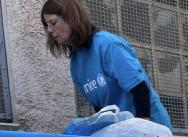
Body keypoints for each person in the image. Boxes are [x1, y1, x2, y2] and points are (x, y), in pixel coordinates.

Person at [41, 0, 172, 129]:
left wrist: (143, 128)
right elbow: (101, 109)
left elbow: (140, 89)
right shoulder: (75, 64)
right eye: (47, 25)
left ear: (71, 17)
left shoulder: (107, 44)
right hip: (121, 132)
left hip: (150, 126)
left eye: (53, 22)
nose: (50, 30)